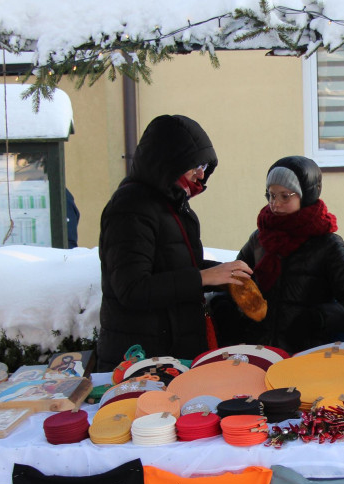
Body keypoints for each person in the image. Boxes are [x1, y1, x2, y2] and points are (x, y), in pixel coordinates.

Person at [96, 115, 252, 371]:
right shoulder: (130, 208)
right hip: (141, 361)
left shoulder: (171, 205)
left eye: (205, 165)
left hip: (170, 354)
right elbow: (132, 289)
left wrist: (225, 274)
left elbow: (175, 265)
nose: (201, 173)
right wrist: (204, 277)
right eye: (196, 164)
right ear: (170, 160)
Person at [213, 156, 344, 354]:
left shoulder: (328, 244)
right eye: (270, 195)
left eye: (285, 196)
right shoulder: (260, 238)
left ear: (306, 195)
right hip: (259, 352)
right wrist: (229, 312)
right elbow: (236, 281)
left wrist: (316, 318)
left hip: (305, 355)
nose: (274, 204)